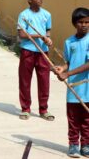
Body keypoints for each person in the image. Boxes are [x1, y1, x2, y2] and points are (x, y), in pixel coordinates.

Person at [54, 8, 89, 158]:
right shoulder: (69, 42)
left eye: (87, 22)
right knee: (73, 119)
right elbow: (69, 63)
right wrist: (61, 69)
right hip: (73, 88)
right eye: (81, 22)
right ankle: (73, 145)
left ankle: (86, 145)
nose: (84, 25)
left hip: (87, 87)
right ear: (75, 23)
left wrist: (68, 73)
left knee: (87, 120)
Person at [17, 0, 53, 121]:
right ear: (29, 0)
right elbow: (22, 34)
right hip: (28, 50)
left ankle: (44, 109)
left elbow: (48, 31)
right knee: (25, 80)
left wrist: (48, 39)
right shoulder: (24, 15)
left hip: (43, 51)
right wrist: (38, 36)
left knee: (44, 81)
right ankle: (25, 108)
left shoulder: (47, 14)